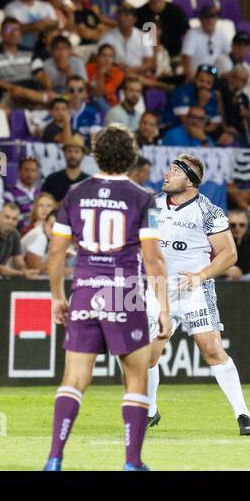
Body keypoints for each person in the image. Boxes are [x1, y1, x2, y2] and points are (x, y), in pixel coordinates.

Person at [44, 124, 168, 471]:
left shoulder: (75, 193)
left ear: (95, 154)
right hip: (125, 293)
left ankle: (55, 457)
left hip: (85, 291)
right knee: (136, 378)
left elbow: (56, 254)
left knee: (74, 379)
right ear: (130, 156)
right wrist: (165, 308)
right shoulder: (142, 198)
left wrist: (56, 297)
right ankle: (132, 462)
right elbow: (154, 258)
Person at [143, 154, 250, 435]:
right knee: (147, 357)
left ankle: (243, 415)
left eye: (174, 171)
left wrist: (200, 276)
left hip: (194, 290)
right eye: (167, 168)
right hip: (158, 290)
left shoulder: (209, 211)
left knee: (213, 350)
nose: (166, 174)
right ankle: (150, 411)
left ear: (191, 181)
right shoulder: (153, 206)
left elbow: (230, 254)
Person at [41, 135, 90, 202]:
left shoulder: (88, 182)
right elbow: (43, 204)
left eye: (76, 152)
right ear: (64, 153)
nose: (72, 155)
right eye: (69, 151)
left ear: (83, 155)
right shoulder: (52, 180)